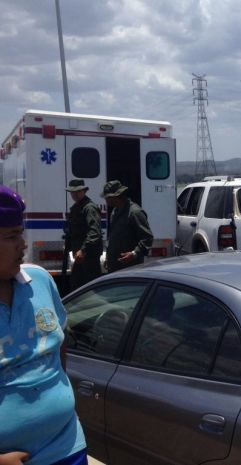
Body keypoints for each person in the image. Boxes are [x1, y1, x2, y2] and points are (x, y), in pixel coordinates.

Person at [0, 185, 88, 465]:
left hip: (68, 446)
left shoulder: (40, 280)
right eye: (13, 237)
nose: (23, 244)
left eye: (21, 234)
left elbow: (58, 349)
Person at [102, 180, 154, 273]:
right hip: (115, 266)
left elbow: (147, 238)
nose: (106, 200)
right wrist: (108, 258)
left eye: (107, 197)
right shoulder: (115, 211)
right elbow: (113, 237)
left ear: (116, 196)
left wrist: (134, 253)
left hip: (130, 267)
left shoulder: (135, 212)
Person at [65, 179, 103, 291]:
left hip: (89, 255)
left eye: (77, 192)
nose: (74, 194)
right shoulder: (77, 207)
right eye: (72, 192)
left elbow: (94, 232)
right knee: (77, 284)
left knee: (91, 286)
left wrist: (83, 250)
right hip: (80, 255)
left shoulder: (89, 207)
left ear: (84, 191)